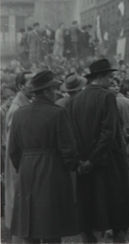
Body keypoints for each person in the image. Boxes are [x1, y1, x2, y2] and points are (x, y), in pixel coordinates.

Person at [67, 59, 129, 243]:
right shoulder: (107, 97)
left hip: (85, 169)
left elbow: (72, 136)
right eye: (110, 77)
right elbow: (109, 133)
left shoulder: (73, 101)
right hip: (110, 166)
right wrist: (93, 158)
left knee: (88, 220)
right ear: (99, 77)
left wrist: (84, 161)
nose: (112, 81)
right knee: (118, 220)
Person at [8, 70, 78, 243]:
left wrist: (23, 166)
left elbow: (13, 150)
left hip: (27, 170)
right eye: (53, 89)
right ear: (46, 92)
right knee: (51, 226)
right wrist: (71, 167)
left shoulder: (19, 114)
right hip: (51, 171)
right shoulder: (57, 113)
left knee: (28, 224)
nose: (55, 93)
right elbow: (68, 149)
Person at [4, 72, 33, 234]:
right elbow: (13, 144)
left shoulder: (24, 104)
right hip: (18, 163)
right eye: (31, 82)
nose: (35, 86)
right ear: (21, 86)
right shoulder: (17, 109)